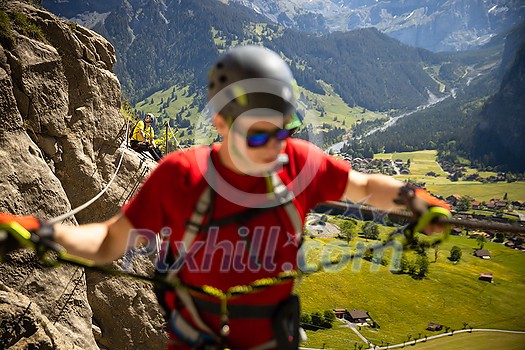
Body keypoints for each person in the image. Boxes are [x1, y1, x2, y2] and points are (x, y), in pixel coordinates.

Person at [0, 45, 450, 349]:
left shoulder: (300, 163)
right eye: (258, 138)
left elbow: (367, 187)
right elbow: (108, 243)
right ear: (220, 124)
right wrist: (43, 234)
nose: (275, 149)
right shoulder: (180, 176)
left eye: (284, 131)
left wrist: (416, 201)